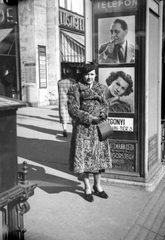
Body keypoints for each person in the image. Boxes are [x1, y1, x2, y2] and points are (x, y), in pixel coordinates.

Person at [67, 62, 112, 202]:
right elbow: (73, 110)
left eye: (92, 74)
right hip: (83, 130)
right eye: (87, 74)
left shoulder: (102, 88)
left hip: (99, 128)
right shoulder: (75, 88)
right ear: (82, 74)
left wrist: (104, 113)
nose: (89, 77)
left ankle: (98, 187)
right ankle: (87, 188)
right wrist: (89, 118)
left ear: (95, 74)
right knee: (85, 161)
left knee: (98, 160)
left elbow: (106, 104)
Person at [58, 67, 76, 137]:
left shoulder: (59, 82)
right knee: (73, 116)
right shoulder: (73, 82)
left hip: (62, 100)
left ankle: (64, 129)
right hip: (71, 100)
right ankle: (73, 130)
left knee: (64, 116)